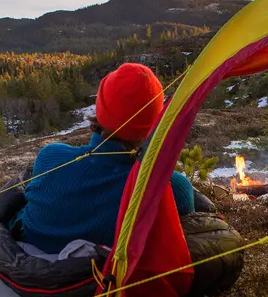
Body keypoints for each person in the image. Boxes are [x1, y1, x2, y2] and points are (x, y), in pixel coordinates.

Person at [10, 63, 194, 254]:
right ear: (156, 124)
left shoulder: (50, 157)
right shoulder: (173, 188)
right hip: (107, 280)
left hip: (29, 271)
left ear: (99, 111)